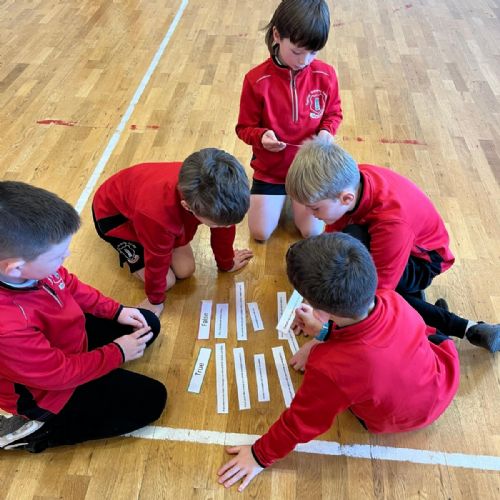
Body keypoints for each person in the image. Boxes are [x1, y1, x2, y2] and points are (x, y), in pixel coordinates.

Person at [218, 232, 464, 491]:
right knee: (427, 336)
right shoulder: (392, 298)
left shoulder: (331, 368)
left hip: (395, 419)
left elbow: (301, 422)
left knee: (350, 390)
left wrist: (259, 455)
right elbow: (368, 337)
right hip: (444, 376)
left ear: (320, 311)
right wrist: (325, 332)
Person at [285, 136, 500, 353]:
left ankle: (450, 329)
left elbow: (375, 296)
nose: (310, 214)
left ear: (346, 199)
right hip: (392, 243)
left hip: (423, 262)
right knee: (348, 250)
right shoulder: (348, 181)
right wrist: (314, 302)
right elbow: (333, 240)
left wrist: (323, 333)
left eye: (315, 208)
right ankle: (458, 325)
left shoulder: (391, 223)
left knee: (361, 295)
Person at [0, 181, 167, 453]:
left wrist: (117, 311)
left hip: (65, 340)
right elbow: (58, 375)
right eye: (58, 256)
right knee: (152, 399)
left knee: (147, 323)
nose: (66, 257)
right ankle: (36, 432)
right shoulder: (8, 328)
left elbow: (71, 286)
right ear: (15, 268)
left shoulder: (30, 268)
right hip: (49, 393)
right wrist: (117, 353)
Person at [92, 148, 253, 317]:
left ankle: (163, 239)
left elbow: (225, 224)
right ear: (187, 207)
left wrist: (227, 262)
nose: (226, 227)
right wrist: (155, 301)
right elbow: (156, 259)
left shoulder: (209, 190)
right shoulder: (157, 216)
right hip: (114, 216)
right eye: (219, 225)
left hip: (147, 204)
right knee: (167, 282)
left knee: (185, 270)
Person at [236, 0, 343, 241]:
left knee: (311, 232)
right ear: (277, 35)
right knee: (260, 233)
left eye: (313, 52)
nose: (304, 60)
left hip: (308, 170)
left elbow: (334, 113)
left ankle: (292, 197)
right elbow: (244, 128)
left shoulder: (326, 75)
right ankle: (282, 196)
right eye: (296, 51)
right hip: (271, 172)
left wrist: (327, 132)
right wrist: (261, 137)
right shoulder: (256, 80)